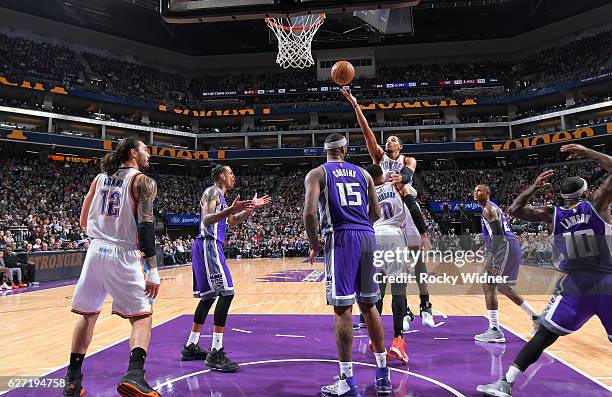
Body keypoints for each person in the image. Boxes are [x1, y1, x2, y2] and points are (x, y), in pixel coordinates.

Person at [477, 143, 612, 396]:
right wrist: (588, 152)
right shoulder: (597, 203)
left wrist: (533, 188)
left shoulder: (553, 214)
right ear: (585, 193)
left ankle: (506, 382)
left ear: (563, 197)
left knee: (543, 336)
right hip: (608, 281)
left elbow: (514, 210)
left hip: (575, 285)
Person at [64, 137, 162, 397]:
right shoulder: (143, 181)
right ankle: (135, 375)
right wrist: (152, 270)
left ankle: (72, 380)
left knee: (88, 315)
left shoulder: (99, 179)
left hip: (96, 250)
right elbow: (146, 227)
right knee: (142, 317)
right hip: (123, 252)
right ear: (133, 153)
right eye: (145, 150)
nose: (148, 154)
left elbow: (84, 221)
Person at [303, 133, 391, 396]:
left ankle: (347, 380)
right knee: (369, 305)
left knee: (343, 308)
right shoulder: (364, 174)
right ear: (345, 149)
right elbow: (376, 212)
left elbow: (309, 212)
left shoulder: (317, 173)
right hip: (367, 235)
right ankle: (383, 374)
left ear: (326, 151)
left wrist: (315, 243)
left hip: (340, 237)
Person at [341, 88, 434, 328]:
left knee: (417, 262)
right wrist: (355, 106)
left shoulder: (408, 160)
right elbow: (367, 133)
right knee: (383, 269)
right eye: (387, 139)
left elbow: (407, 174)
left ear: (400, 146)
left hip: (405, 203)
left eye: (393, 139)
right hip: (387, 211)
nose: (388, 141)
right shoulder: (379, 159)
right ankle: (398, 312)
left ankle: (426, 305)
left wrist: (399, 179)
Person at [181, 165, 270, 372]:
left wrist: (250, 209)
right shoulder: (212, 192)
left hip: (208, 245)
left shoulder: (220, 197)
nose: (233, 176)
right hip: (208, 244)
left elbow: (231, 221)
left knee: (209, 297)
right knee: (227, 293)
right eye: (231, 173)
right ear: (222, 176)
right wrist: (232, 208)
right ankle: (215, 352)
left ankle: (191, 346)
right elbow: (206, 219)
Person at [364, 164, 432, 364]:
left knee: (377, 293)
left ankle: (375, 340)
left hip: (372, 237)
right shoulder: (397, 185)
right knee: (398, 291)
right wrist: (423, 233)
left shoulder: (366, 192)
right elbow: (413, 208)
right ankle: (398, 341)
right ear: (383, 175)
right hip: (394, 235)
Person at [473, 184, 539, 342]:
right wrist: (484, 248)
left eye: (479, 190)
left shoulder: (488, 209)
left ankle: (495, 329)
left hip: (505, 246)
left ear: (487, 193)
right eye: (474, 191)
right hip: (509, 245)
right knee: (502, 286)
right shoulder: (490, 208)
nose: (475, 192)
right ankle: (536, 318)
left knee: (488, 285)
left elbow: (498, 235)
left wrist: (490, 258)